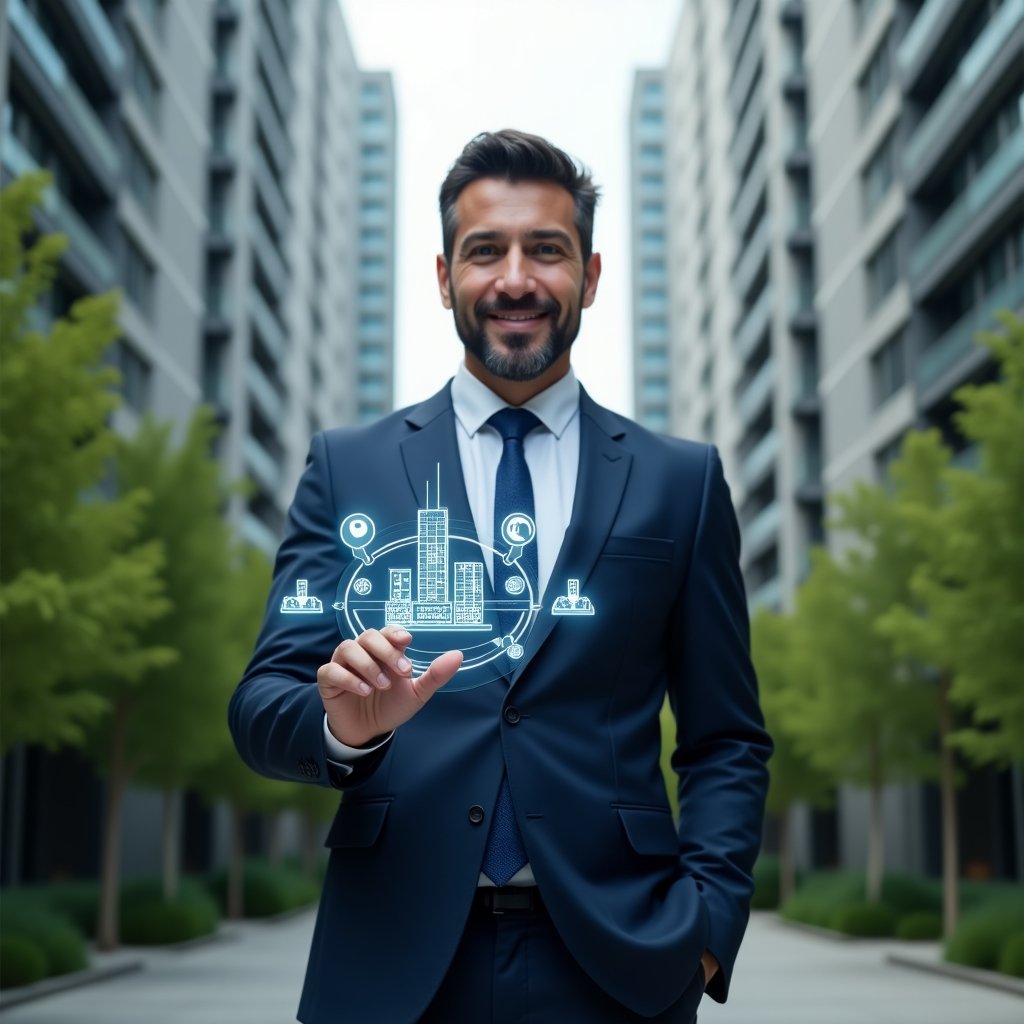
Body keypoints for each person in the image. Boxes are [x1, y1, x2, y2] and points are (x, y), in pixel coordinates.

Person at [229, 129, 772, 1024]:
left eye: (546, 250)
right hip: (390, 965)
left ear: (590, 276)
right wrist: (343, 734)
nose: (515, 279)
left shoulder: (683, 483)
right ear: (444, 276)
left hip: (620, 966)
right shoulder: (347, 468)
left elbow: (726, 740)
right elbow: (260, 704)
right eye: (485, 251)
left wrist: (706, 928)